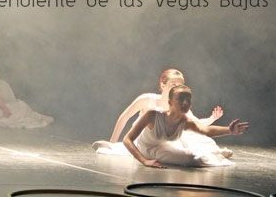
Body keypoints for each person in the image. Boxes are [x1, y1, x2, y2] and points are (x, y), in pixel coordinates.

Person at [94, 68, 234, 166]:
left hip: (167, 140)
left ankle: (211, 153)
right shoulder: (147, 100)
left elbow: (197, 125)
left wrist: (212, 119)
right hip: (147, 140)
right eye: (173, 84)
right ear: (162, 84)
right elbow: (124, 117)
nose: (177, 87)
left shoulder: (178, 106)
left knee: (191, 137)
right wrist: (112, 142)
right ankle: (113, 147)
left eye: (180, 85)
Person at [123, 84, 249, 168]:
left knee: (195, 147)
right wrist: (144, 161)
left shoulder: (186, 121)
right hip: (147, 149)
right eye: (180, 99)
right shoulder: (152, 115)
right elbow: (127, 139)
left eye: (188, 100)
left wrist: (229, 130)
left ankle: (214, 153)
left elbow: (206, 130)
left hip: (164, 144)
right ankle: (213, 154)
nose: (185, 103)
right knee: (190, 159)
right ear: (170, 102)